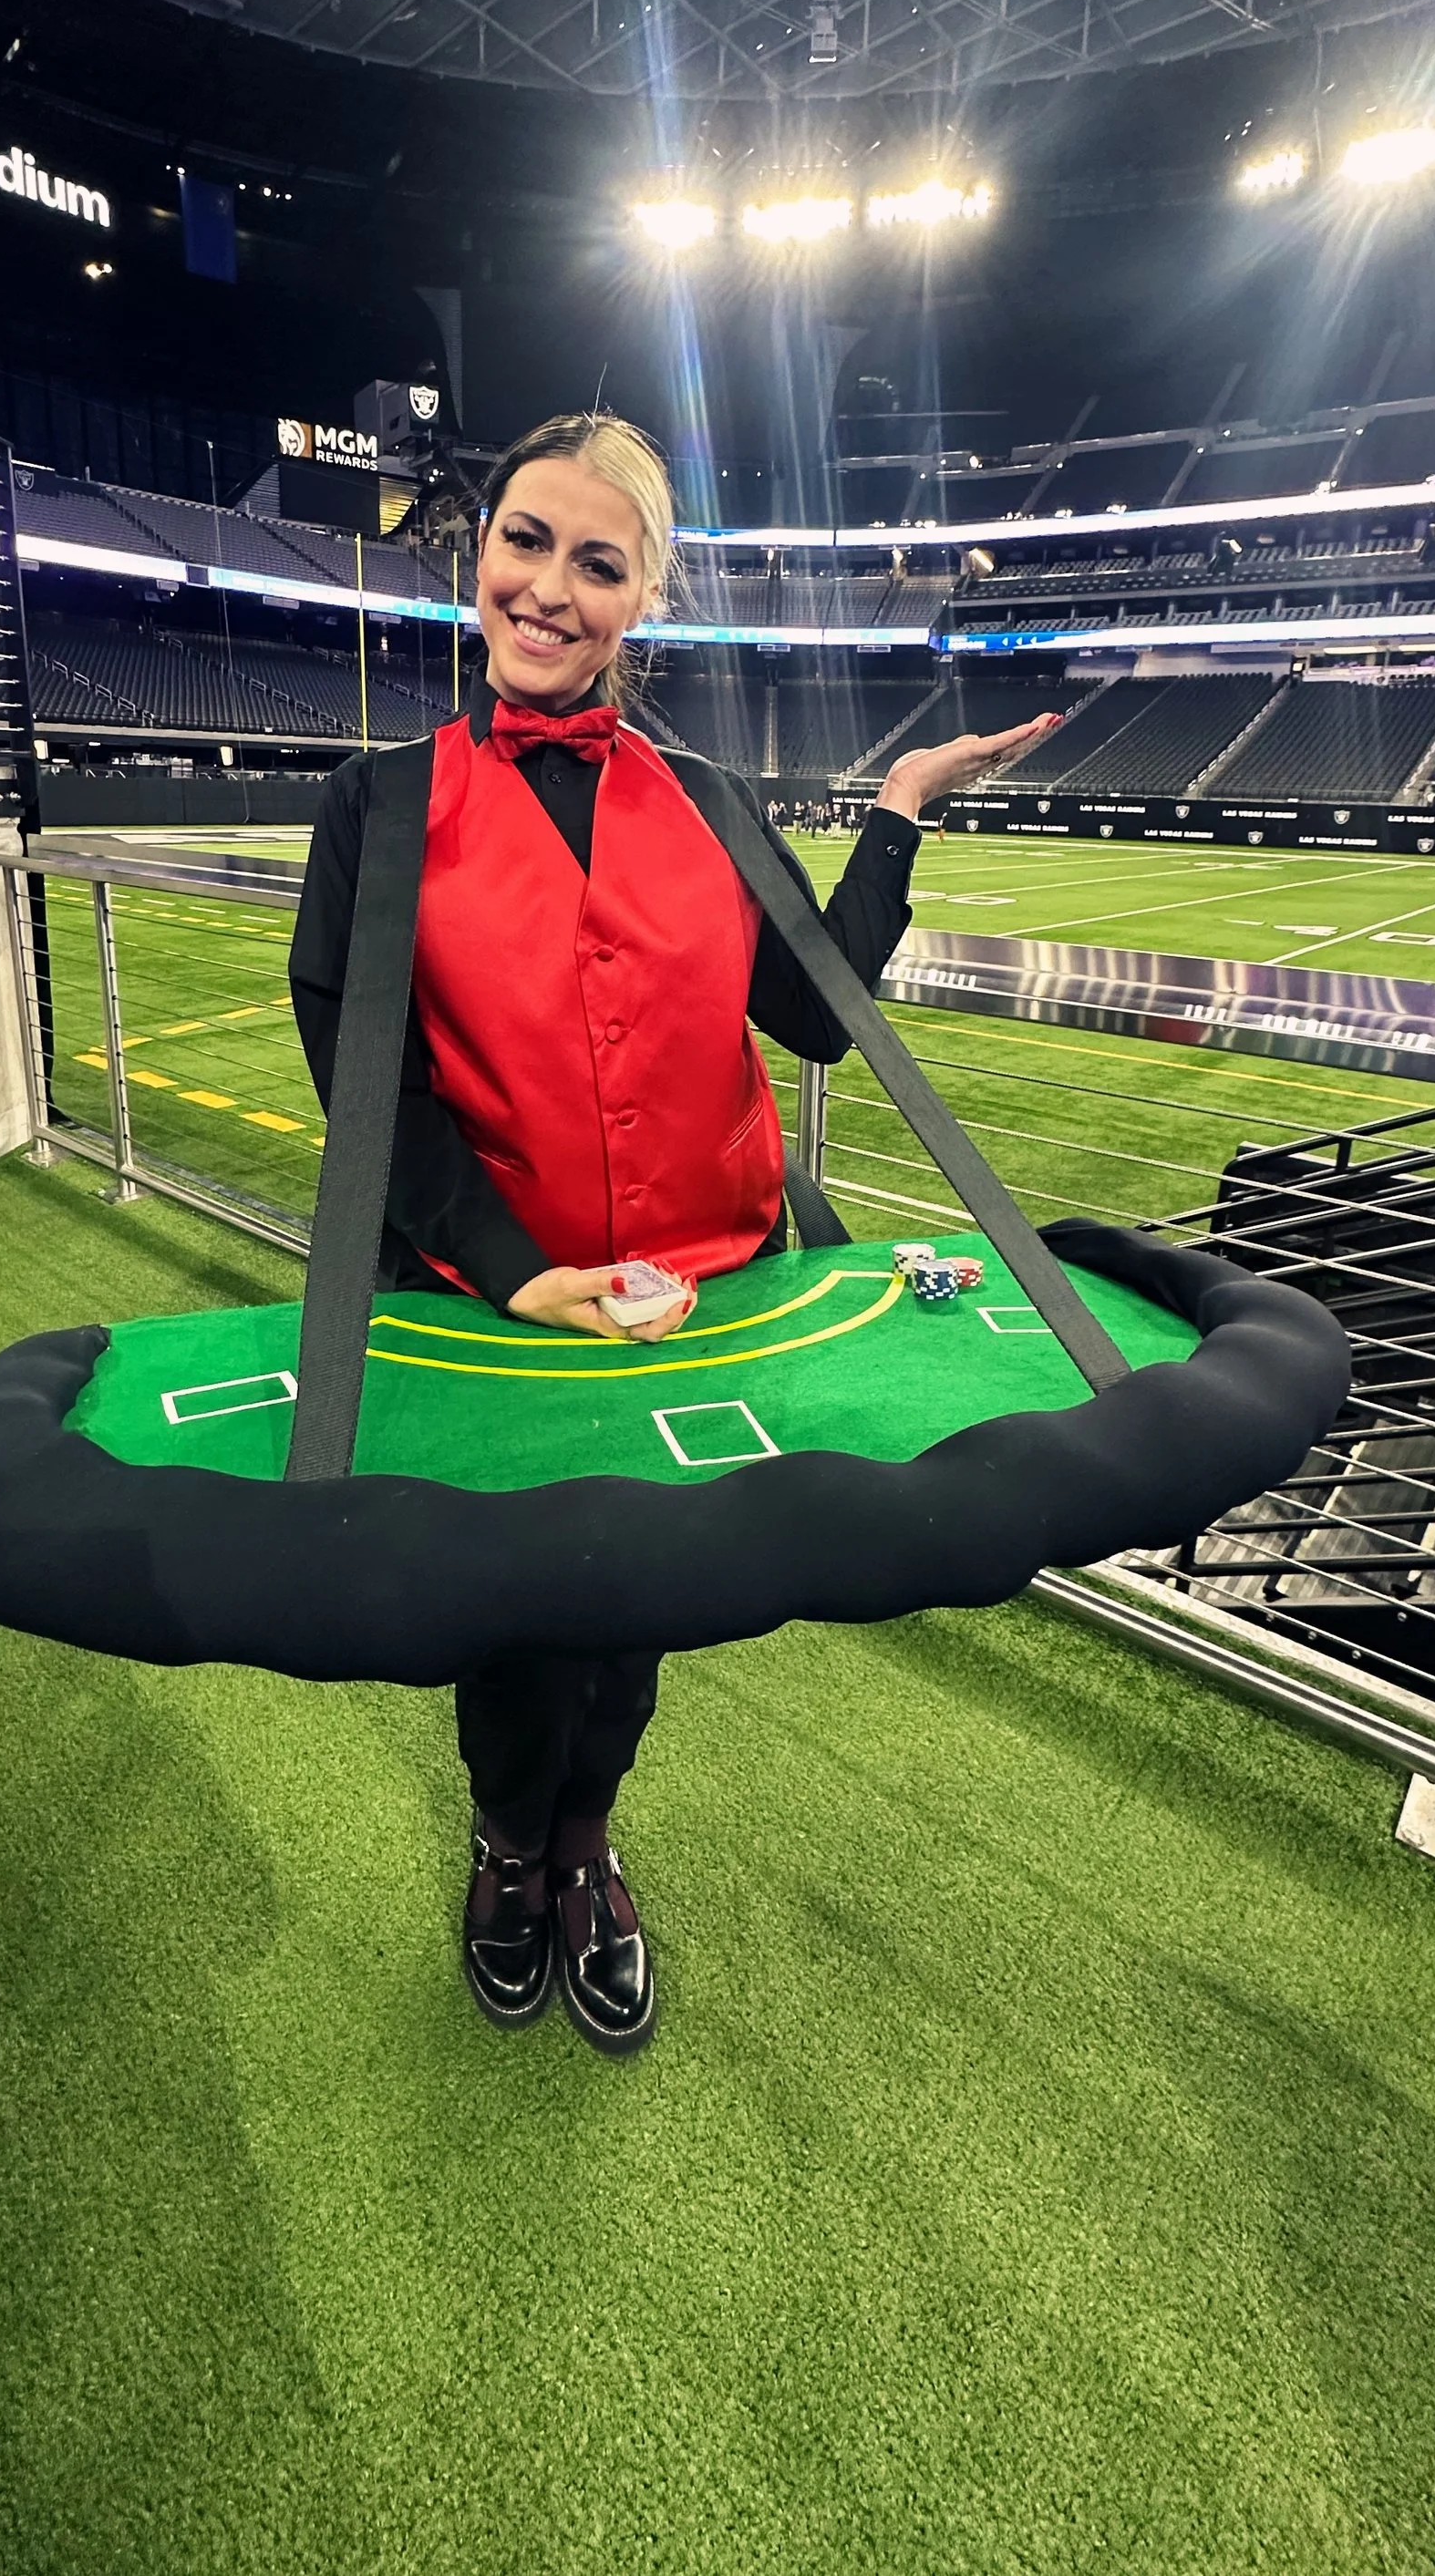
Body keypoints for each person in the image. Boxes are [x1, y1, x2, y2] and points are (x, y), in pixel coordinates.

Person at [288, 413, 1058, 2056]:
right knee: (504, 1622)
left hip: (691, 1298)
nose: (547, 588)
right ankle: (508, 1842)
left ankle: (586, 1849)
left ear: (648, 598)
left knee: (632, 1615)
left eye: (597, 562)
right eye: (521, 541)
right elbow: (372, 1094)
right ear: (476, 553)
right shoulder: (374, 806)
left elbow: (818, 1013)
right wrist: (513, 1271)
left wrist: (902, 811)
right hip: (488, 1304)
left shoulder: (709, 800)